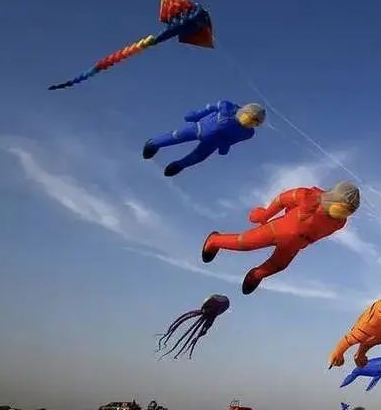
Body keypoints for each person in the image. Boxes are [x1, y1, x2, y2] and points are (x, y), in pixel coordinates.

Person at [202, 181, 360, 294]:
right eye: (343, 207)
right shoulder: (308, 196)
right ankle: (214, 241)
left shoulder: (339, 222)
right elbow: (282, 200)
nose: (343, 212)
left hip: (295, 244)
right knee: (244, 243)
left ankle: (256, 275)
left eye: (348, 210)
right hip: (276, 230)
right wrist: (264, 215)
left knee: (278, 265)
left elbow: (319, 232)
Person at [143, 100, 265, 176]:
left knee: (199, 156)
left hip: (213, 141)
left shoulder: (247, 133)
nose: (249, 122)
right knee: (175, 136)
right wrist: (196, 115)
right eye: (249, 118)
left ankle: (178, 165)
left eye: (254, 123)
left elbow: (232, 140)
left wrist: (224, 146)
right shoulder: (227, 106)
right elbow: (209, 108)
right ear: (244, 111)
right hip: (199, 128)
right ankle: (152, 144)